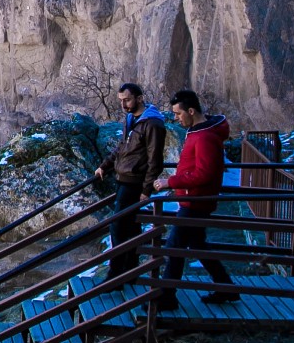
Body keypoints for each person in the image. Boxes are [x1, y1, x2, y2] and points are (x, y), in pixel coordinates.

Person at [152, 90, 239, 305]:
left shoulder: (205, 136)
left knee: (174, 245)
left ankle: (167, 297)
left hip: (196, 201)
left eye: (178, 114)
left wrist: (171, 182)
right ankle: (226, 288)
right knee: (197, 245)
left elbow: (204, 173)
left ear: (191, 111)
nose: (176, 118)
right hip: (194, 198)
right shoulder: (197, 131)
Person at [97, 83, 166, 281]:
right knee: (131, 227)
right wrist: (105, 166)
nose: (123, 105)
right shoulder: (131, 119)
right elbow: (122, 148)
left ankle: (116, 274)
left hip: (134, 182)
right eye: (121, 101)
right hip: (123, 178)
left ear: (139, 98)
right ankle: (131, 271)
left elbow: (155, 160)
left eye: (127, 100)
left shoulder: (152, 124)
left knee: (117, 226)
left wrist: (146, 189)